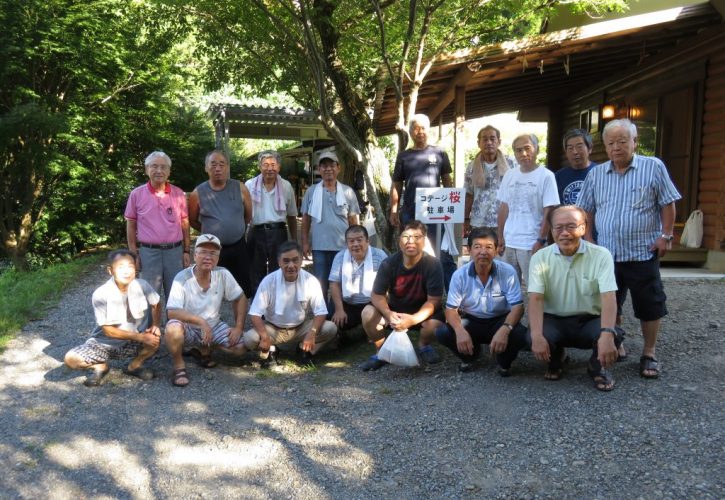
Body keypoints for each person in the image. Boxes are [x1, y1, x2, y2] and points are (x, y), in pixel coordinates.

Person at [577, 118, 681, 379]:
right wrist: (588, 239)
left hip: (642, 252)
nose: (616, 147)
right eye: (611, 143)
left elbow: (668, 203)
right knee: (610, 303)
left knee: (650, 304)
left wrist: (666, 235)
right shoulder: (596, 174)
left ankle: (649, 353)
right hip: (607, 254)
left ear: (634, 142)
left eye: (622, 141)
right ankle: (617, 342)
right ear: (605, 147)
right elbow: (586, 209)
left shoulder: (653, 167)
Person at [527, 205, 622, 391]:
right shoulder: (540, 258)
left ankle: (596, 366)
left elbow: (609, 296)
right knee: (534, 335)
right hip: (554, 320)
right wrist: (536, 336)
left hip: (589, 320)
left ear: (583, 228)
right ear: (551, 230)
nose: (564, 233)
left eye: (571, 226)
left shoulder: (601, 255)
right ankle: (556, 359)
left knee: (614, 334)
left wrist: (607, 333)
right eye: (558, 227)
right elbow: (536, 298)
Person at [64, 249, 162, 387]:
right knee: (71, 359)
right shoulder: (101, 294)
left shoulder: (142, 285)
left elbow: (156, 303)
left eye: (130, 266)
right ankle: (101, 366)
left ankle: (134, 366)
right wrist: (141, 337)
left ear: (136, 268)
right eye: (121, 267)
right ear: (110, 270)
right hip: (104, 343)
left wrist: (155, 325)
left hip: (133, 341)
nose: (126, 271)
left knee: (155, 339)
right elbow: (108, 331)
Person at [436, 228, 527, 374]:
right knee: (443, 332)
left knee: (520, 333)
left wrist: (505, 329)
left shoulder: (508, 272)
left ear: (496, 251)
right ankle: (470, 356)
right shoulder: (459, 275)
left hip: (499, 320)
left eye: (489, 247)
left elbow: (518, 307)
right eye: (477, 247)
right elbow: (451, 309)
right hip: (471, 320)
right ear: (469, 250)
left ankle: (504, 361)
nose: (483, 252)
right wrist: (460, 331)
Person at [359, 221, 445, 371]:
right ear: (399, 241)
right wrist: (388, 314)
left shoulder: (433, 264)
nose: (411, 241)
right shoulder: (388, 263)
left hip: (422, 313)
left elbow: (434, 300)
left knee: (434, 325)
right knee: (367, 313)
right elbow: (377, 295)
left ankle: (424, 345)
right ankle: (382, 350)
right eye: (406, 236)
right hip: (395, 311)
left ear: (424, 241)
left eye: (417, 237)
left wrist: (412, 319)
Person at [164, 234, 249, 387]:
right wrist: (201, 322)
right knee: (172, 328)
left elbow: (241, 297)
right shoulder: (182, 277)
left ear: (218, 258)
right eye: (203, 252)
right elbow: (172, 312)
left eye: (213, 253)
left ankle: (203, 348)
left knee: (241, 347)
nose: (208, 257)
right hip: (188, 328)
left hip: (213, 326)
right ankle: (179, 365)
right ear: (195, 255)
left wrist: (238, 327)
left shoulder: (222, 274)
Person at [243, 241, 338, 367]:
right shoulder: (268, 281)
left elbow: (321, 312)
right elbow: (255, 313)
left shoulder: (310, 280)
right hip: (273, 328)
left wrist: (312, 333)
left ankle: (304, 349)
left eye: (295, 260)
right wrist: (265, 336)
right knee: (249, 339)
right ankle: (272, 350)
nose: (291, 265)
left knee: (330, 328)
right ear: (279, 262)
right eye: (286, 261)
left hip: (300, 327)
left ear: (301, 260)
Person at [389, 114, 456, 290]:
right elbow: (397, 184)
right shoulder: (403, 156)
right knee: (412, 251)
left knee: (442, 253)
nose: (420, 132)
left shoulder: (439, 152)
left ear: (429, 129)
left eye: (423, 128)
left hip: (435, 211)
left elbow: (447, 180)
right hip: (410, 212)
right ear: (411, 132)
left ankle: (453, 294)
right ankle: (414, 291)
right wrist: (394, 210)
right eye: (416, 128)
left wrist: (452, 207)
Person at [124, 151, 190, 299]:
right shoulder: (136, 194)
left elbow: (185, 223)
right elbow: (131, 225)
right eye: (154, 166)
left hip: (174, 252)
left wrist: (186, 250)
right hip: (148, 253)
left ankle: (174, 316)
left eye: (163, 167)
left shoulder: (178, 194)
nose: (159, 170)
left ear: (169, 171)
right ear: (146, 169)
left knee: (176, 296)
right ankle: (150, 316)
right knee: (148, 296)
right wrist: (133, 254)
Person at [497, 134, 560, 286]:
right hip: (509, 241)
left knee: (536, 287)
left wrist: (541, 239)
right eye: (518, 150)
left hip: (532, 242)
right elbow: (504, 207)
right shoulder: (509, 175)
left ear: (537, 149)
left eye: (527, 148)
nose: (523, 153)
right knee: (509, 288)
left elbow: (549, 211)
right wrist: (500, 237)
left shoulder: (546, 176)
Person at [188, 149, 253, 296]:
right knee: (212, 291)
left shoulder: (240, 188)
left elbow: (248, 216)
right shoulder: (197, 193)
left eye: (222, 164)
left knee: (243, 290)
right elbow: (192, 220)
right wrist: (210, 231)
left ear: (227, 167)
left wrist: (234, 228)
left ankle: (241, 312)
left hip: (238, 246)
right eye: (213, 164)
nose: (217, 168)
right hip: (212, 249)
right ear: (206, 168)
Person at [301, 151, 360, 303]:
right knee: (320, 283)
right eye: (324, 166)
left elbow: (353, 221)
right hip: (319, 247)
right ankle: (322, 313)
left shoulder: (348, 191)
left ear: (338, 168)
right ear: (319, 169)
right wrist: (305, 242)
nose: (328, 169)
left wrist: (357, 243)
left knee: (340, 283)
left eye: (332, 165)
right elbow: (306, 219)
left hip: (342, 248)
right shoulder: (311, 192)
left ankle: (337, 312)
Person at [245, 150, 298, 298]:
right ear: (259, 166)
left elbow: (292, 215)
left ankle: (276, 304)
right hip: (256, 232)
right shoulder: (250, 185)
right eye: (266, 164)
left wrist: (294, 240)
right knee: (255, 271)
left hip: (278, 233)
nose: (270, 168)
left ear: (279, 167)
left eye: (273, 165)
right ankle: (258, 306)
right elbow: (243, 213)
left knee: (278, 270)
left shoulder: (286, 186)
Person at [328, 225, 388, 333]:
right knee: (332, 319)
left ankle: (370, 329)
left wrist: (385, 310)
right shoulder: (340, 257)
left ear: (367, 241)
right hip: (348, 303)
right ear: (347, 244)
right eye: (351, 241)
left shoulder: (380, 256)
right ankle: (347, 333)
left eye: (359, 240)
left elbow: (388, 284)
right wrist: (339, 310)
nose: (355, 244)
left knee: (370, 318)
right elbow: (334, 283)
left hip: (372, 303)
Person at [463, 125, 514, 236]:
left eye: (492, 139)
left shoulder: (511, 164)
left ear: (499, 142)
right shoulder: (471, 166)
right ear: (479, 143)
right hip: (479, 223)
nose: (489, 142)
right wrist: (466, 219)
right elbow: (468, 195)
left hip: (506, 221)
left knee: (503, 247)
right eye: (485, 139)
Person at [555, 128, 597, 205]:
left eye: (579, 147)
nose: (575, 152)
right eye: (570, 148)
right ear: (566, 152)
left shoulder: (599, 173)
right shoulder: (558, 176)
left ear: (590, 149)